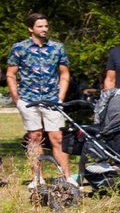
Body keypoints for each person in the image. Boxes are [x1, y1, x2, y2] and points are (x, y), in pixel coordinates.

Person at [7, 13, 72, 187]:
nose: (44, 29)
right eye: (40, 26)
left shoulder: (57, 48)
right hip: (28, 99)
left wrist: (60, 97)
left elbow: (64, 73)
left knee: (57, 137)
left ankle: (66, 177)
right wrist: (16, 99)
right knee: (35, 137)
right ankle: (37, 177)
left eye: (46, 26)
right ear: (31, 28)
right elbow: (11, 74)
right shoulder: (19, 48)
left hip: (52, 99)